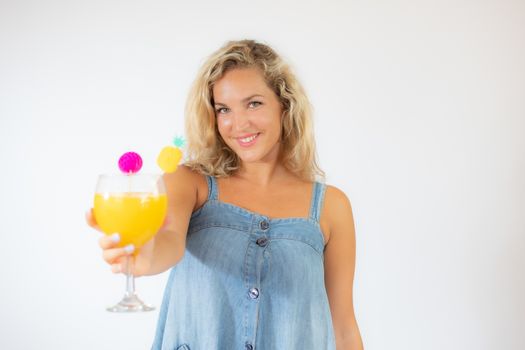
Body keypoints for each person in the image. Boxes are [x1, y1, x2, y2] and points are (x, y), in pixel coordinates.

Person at [87, 39, 364, 350]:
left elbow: (343, 329)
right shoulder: (188, 182)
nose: (238, 124)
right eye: (224, 109)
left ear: (284, 106)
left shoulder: (331, 206)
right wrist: (142, 255)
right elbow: (167, 244)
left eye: (254, 103)